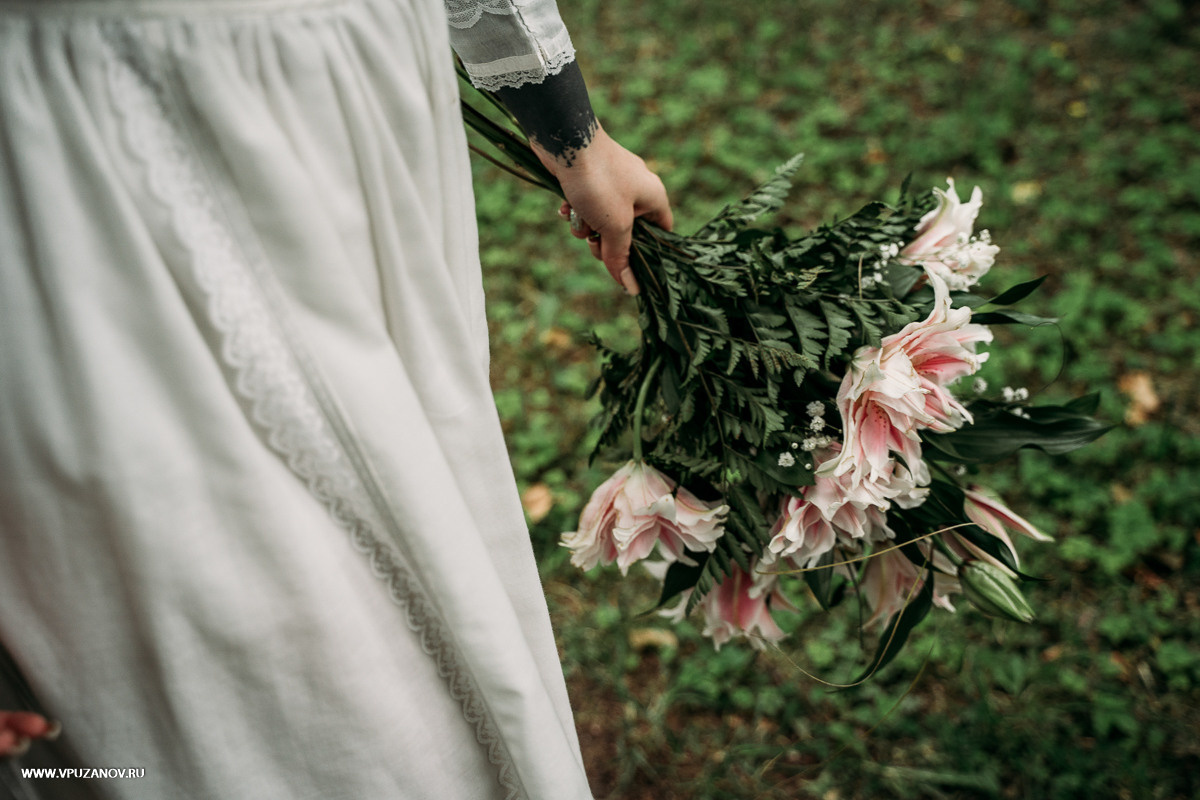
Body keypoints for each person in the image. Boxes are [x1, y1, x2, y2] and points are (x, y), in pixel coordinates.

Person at [0, 0, 671, 797]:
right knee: (211, 576)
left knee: (424, 495)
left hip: (342, 106)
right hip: (79, 148)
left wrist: (573, 134)